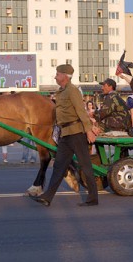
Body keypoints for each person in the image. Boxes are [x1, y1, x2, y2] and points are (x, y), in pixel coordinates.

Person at [30, 64, 99, 207]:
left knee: (85, 166)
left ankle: (93, 198)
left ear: (65, 76)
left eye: (57, 74)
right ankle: (48, 197)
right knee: (59, 167)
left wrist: (88, 130)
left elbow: (81, 111)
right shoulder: (61, 92)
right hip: (65, 134)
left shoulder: (73, 91)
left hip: (76, 133)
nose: (55, 76)